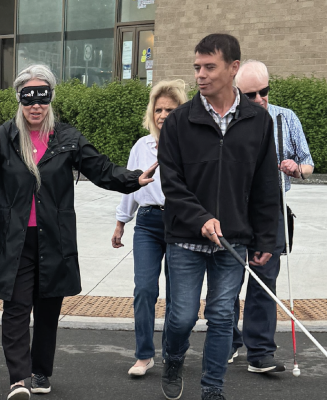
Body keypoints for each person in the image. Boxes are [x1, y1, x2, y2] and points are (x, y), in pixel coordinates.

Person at [0, 64, 157, 400]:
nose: (35, 105)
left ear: (51, 98)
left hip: (53, 238)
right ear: (19, 99)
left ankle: (41, 372)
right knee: (15, 308)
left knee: (47, 309)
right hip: (14, 239)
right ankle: (18, 379)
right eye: (28, 97)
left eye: (42, 96)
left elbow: (100, 169)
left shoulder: (67, 137)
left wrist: (133, 178)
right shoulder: (3, 138)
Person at [156, 33, 280, 400]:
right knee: (181, 317)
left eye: (210, 67)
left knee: (223, 316)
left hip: (235, 241)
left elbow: (264, 187)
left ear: (233, 68)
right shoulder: (179, 121)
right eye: (197, 67)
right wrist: (201, 218)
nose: (201, 75)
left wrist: (264, 239)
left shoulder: (259, 121)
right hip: (184, 238)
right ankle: (174, 358)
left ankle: (212, 387)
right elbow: (172, 183)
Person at [229, 60, 315, 373]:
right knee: (230, 278)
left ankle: (261, 352)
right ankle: (227, 341)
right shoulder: (229, 121)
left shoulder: (285, 118)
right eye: (251, 95)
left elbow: (308, 163)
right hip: (236, 209)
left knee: (265, 280)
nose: (260, 99)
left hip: (273, 209)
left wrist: (298, 170)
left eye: (264, 91)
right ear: (238, 93)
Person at [112, 79, 188, 377]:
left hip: (181, 224)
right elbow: (131, 187)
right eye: (158, 109)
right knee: (145, 289)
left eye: (170, 110)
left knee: (177, 294)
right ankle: (144, 355)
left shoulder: (190, 146)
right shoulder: (142, 147)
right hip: (147, 223)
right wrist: (120, 223)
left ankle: (172, 354)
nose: (163, 115)